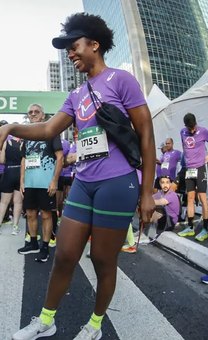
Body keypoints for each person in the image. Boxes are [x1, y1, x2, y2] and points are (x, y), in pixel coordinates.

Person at [7, 13, 155, 340]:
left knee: (103, 259)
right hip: (84, 183)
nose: (71, 54)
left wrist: (147, 192)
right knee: (64, 255)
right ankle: (47, 320)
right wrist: (11, 127)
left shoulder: (121, 80)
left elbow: (145, 133)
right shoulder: (76, 94)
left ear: (94, 45)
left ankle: (96, 324)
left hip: (117, 183)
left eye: (74, 47)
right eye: (69, 51)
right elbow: (47, 128)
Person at [17, 104, 63, 263]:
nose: (33, 114)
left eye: (36, 112)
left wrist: (54, 181)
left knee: (46, 215)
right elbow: (23, 159)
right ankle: (34, 243)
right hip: (30, 183)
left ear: (43, 115)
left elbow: (60, 157)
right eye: (30, 112)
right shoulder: (26, 136)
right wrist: (22, 181)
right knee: (30, 213)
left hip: (46, 183)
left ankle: (45, 247)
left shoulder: (51, 132)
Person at [178, 113, 208, 242]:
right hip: (189, 170)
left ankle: (205, 229)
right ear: (186, 126)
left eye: (193, 127)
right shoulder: (183, 132)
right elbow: (184, 146)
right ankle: (190, 226)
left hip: (200, 168)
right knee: (190, 198)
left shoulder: (202, 131)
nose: (192, 130)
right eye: (190, 128)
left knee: (203, 198)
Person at [0, 133, 23, 235]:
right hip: (20, 173)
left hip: (8, 172)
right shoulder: (23, 143)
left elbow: (2, 160)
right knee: (18, 202)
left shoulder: (6, 142)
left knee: (4, 202)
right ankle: (15, 227)